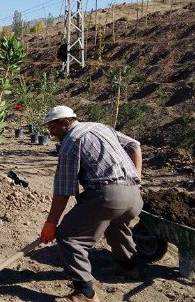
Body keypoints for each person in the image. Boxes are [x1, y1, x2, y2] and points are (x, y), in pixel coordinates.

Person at [38, 106, 143, 302]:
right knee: (116, 225)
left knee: (69, 237)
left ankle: (85, 293)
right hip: (134, 197)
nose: (51, 133)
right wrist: (138, 179)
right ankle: (129, 268)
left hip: (109, 196)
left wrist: (51, 223)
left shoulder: (71, 142)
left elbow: (63, 190)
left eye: (53, 127)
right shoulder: (101, 127)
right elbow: (134, 145)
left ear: (66, 123)